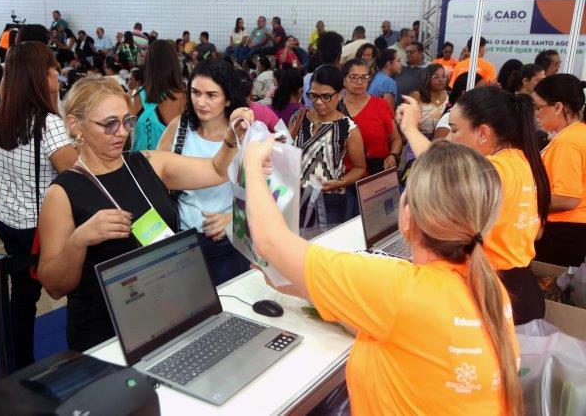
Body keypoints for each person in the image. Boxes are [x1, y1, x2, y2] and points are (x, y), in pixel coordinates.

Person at [244, 137, 522, 414]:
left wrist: (252, 164)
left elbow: (269, 240)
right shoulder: (489, 286)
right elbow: (406, 327)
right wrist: (304, 286)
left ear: (408, 216)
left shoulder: (399, 289)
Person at [38, 75, 252, 351]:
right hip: (107, 333)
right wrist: (80, 240)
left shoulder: (149, 163)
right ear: (75, 124)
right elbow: (55, 286)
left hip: (167, 313)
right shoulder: (62, 193)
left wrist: (231, 139)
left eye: (127, 121)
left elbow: (215, 170)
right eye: (109, 124)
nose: (121, 132)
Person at [399, 86, 551, 325]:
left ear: (483, 133)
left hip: (498, 293)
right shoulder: (520, 160)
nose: (449, 140)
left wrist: (409, 129)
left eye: (454, 130)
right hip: (520, 286)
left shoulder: (496, 170)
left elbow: (440, 168)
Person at [0, 42, 78, 369]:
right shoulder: (48, 122)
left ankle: (19, 364)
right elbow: (74, 169)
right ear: (40, 76)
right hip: (41, 227)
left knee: (23, 296)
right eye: (54, 71)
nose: (59, 77)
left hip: (9, 218)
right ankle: (78, 356)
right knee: (73, 284)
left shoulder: (0, 114)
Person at [153, 60, 252, 286]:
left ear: (228, 99)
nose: (201, 102)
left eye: (211, 95)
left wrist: (234, 219)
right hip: (182, 242)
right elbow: (156, 178)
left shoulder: (243, 135)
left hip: (228, 245)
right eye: (196, 92)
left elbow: (269, 193)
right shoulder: (179, 127)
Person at [290, 65, 366, 228]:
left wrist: (340, 182)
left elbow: (360, 168)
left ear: (339, 95)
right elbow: (287, 151)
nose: (318, 102)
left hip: (330, 200)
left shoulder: (347, 127)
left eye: (326, 96)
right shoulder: (299, 117)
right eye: (313, 95)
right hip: (297, 196)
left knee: (325, 241)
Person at [532, 74, 586, 267]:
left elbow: (567, 198)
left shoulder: (568, 142)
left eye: (538, 107)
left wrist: (523, 200)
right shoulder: (577, 134)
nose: (536, 114)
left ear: (558, 107)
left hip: (562, 232)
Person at [340, 59, 401, 218]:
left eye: (364, 77)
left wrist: (393, 155)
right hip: (344, 181)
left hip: (376, 179)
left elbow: (396, 139)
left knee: (378, 223)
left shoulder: (380, 105)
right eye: (353, 77)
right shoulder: (335, 107)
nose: (359, 82)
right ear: (344, 80)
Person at [131, 40, 186, 151]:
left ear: (148, 64)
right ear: (174, 64)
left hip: (138, 160)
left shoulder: (136, 96)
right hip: (172, 161)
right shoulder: (183, 98)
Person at [405, 64, 448, 167]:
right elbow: (405, 122)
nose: (441, 79)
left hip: (440, 144)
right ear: (427, 78)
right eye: (436, 76)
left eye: (443, 76)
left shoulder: (448, 95)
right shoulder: (416, 96)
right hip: (417, 141)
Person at [303, 31, 344, 107]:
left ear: (320, 55)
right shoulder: (344, 80)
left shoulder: (307, 79)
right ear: (339, 56)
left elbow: (308, 105)